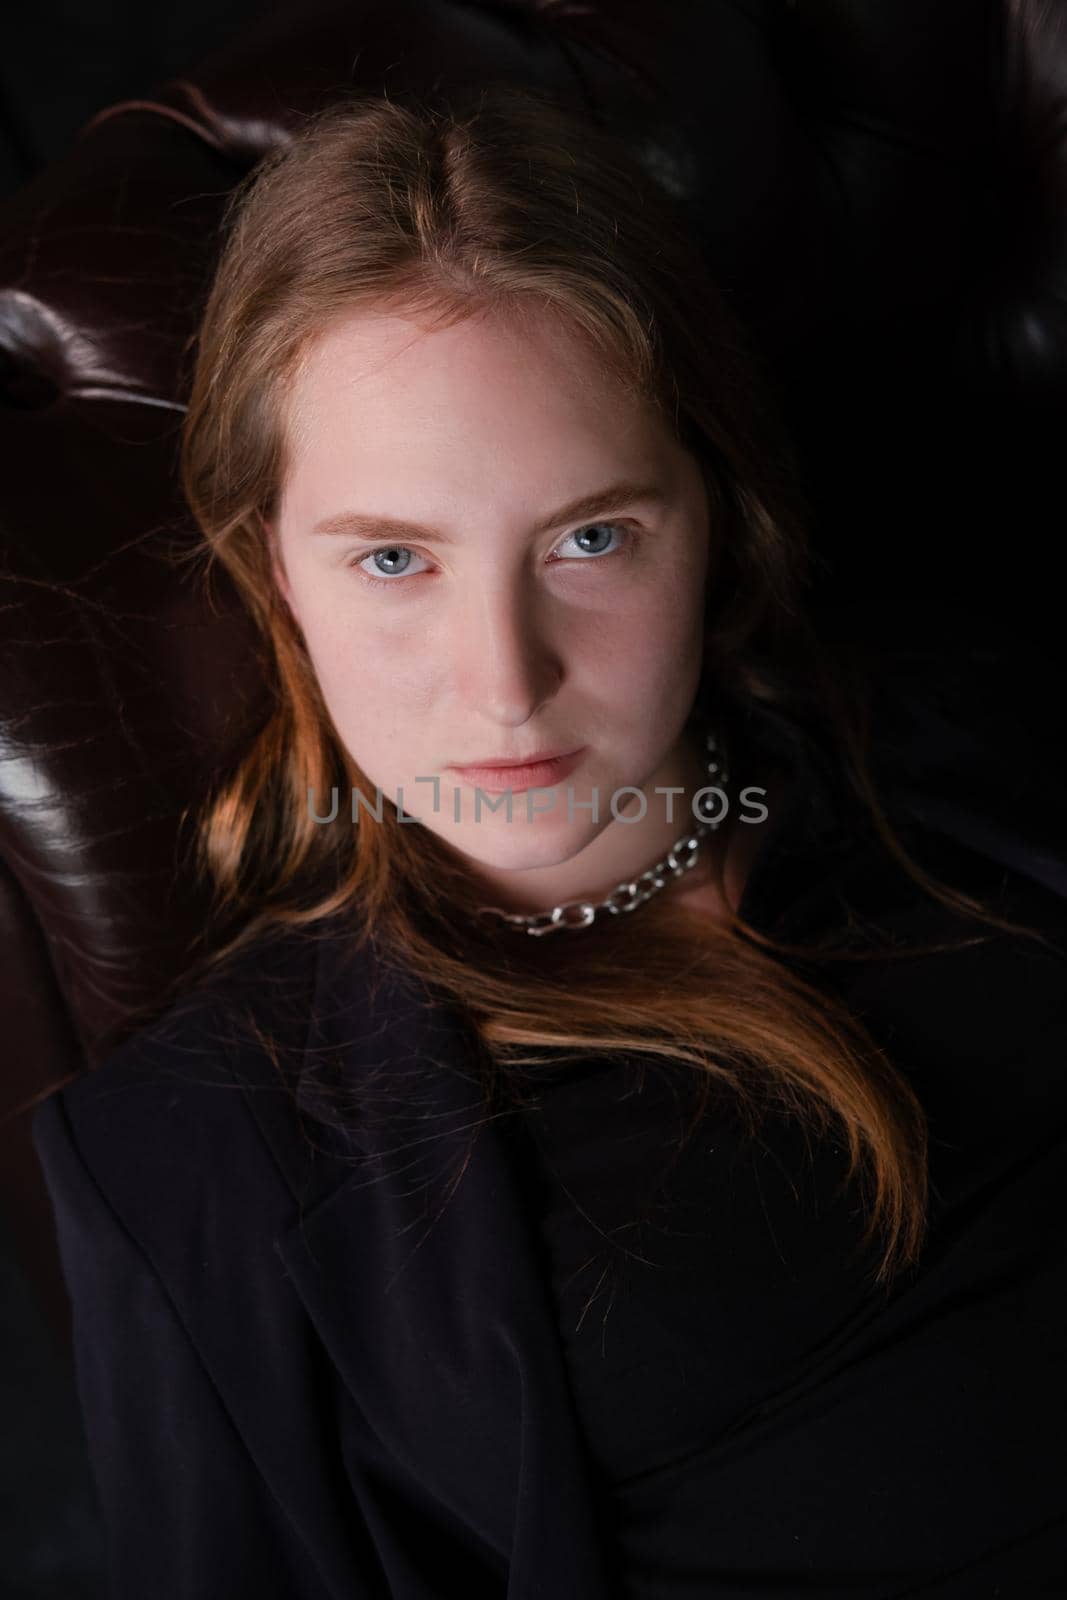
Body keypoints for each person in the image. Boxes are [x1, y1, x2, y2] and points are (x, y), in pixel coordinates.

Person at [32, 83, 1067, 1597]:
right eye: (394, 558)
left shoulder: (973, 725)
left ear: (708, 512)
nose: (506, 679)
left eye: (590, 538)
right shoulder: (198, 1163)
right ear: (279, 576)